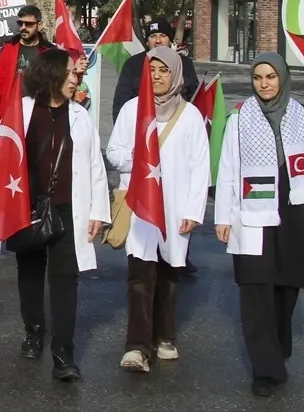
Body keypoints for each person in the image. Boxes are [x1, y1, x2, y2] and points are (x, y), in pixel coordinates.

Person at [214, 53, 304, 398]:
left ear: (282, 78)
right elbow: (228, 169)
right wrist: (222, 216)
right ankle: (265, 368)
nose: (264, 84)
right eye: (258, 77)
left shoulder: (303, 114)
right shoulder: (239, 117)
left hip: (294, 210)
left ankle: (276, 346)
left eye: (271, 77)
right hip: (252, 213)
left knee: (287, 288)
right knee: (256, 289)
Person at [7, 49, 110, 381]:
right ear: (50, 74)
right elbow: (2, 156)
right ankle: (34, 331)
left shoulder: (80, 115)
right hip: (28, 209)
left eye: (75, 73)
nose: (74, 77)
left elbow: (95, 166)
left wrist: (98, 211)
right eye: (68, 72)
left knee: (66, 280)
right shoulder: (22, 111)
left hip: (69, 210)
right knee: (31, 274)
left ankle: (63, 354)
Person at [106, 47, 209, 374]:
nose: (157, 76)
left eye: (164, 70)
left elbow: (200, 165)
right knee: (140, 274)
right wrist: (137, 158)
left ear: (175, 73)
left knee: (167, 273)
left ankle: (164, 337)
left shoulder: (190, 116)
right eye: (152, 70)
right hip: (140, 206)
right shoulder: (132, 110)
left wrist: (194, 209)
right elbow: (114, 152)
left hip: (175, 207)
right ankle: (137, 346)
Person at [112, 18, 200, 123]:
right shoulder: (132, 64)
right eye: (153, 36)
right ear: (147, 41)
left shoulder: (184, 63)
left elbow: (195, 97)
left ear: (170, 40)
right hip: (142, 124)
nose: (158, 40)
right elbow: (121, 101)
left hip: (178, 124)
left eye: (163, 36)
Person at [0, 5, 57, 100]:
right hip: (11, 108)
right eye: (20, 23)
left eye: (28, 24)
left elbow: (56, 81)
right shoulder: (8, 48)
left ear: (39, 25)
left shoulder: (50, 51)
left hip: (38, 108)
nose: (23, 28)